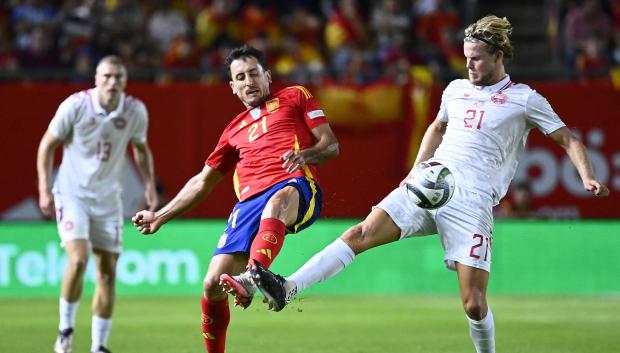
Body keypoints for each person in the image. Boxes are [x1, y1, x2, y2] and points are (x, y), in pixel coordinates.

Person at [250, 15, 610, 353]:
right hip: (430, 181)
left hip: (472, 200)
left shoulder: (524, 99)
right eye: (466, 58)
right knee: (359, 234)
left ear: (499, 55)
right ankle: (288, 288)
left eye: (477, 59)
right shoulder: (455, 89)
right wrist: (415, 170)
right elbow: (437, 127)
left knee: (473, 303)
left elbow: (569, 139)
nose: (469, 66)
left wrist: (587, 175)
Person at [131, 45, 339, 353]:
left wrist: (304, 155)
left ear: (267, 76)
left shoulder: (295, 96)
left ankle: (252, 279)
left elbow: (331, 145)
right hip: (247, 205)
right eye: (240, 77)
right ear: (232, 86)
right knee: (212, 285)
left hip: (294, 184)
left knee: (278, 202)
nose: (248, 81)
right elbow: (203, 182)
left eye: (254, 74)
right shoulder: (232, 131)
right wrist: (160, 215)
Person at [37, 55, 158, 353]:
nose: (112, 82)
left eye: (118, 77)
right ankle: (65, 331)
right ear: (96, 78)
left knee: (106, 273)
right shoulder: (76, 105)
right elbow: (46, 145)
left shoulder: (134, 111)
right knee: (78, 259)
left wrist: (149, 184)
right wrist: (44, 189)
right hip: (72, 193)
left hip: (108, 200)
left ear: (125, 81)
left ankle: (99, 346)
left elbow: (141, 149)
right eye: (107, 76)